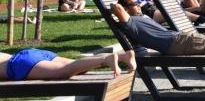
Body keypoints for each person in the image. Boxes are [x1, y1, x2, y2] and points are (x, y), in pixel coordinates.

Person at [0, 49, 135, 81]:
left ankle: (106, 60)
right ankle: (123, 56)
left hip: (19, 64)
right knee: (76, 66)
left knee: (63, 71)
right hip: (31, 53)